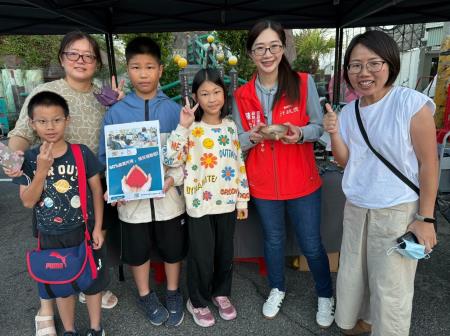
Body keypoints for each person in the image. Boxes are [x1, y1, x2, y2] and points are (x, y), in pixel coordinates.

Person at [323, 30, 438, 336]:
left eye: (374, 63)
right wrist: (334, 132)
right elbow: (347, 161)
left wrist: (425, 218)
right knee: (354, 275)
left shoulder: (410, 104)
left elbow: (429, 164)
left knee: (391, 287)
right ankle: (363, 321)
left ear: (390, 64)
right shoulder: (350, 112)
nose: (364, 73)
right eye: (355, 65)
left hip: (397, 210)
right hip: (358, 207)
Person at [5, 31, 119, 336]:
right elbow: (21, 133)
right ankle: (46, 310)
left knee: (92, 238)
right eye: (73, 54)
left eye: (88, 55)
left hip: (92, 176)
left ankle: (86, 282)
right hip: (52, 180)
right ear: (61, 58)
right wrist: (14, 161)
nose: (80, 60)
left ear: (96, 61)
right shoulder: (46, 92)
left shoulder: (102, 94)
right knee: (53, 251)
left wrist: (120, 103)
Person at [232, 20, 334, 327]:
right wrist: (254, 136)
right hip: (263, 183)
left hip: (302, 180)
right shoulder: (241, 94)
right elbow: (235, 138)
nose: (267, 54)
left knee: (311, 243)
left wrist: (298, 133)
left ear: (283, 48)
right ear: (250, 54)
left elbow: (318, 127)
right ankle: (277, 288)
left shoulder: (302, 83)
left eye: (274, 46)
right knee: (273, 241)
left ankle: (325, 294)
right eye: (259, 48)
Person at [98, 36, 187, 328]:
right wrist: (114, 186)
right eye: (136, 67)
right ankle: (145, 294)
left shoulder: (174, 111)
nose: (144, 73)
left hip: (169, 200)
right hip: (132, 204)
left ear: (161, 70)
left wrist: (173, 179)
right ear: (128, 70)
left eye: (150, 67)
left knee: (173, 249)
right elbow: (105, 157)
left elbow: (185, 155)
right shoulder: (116, 113)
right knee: (137, 254)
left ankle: (173, 292)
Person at [13, 91, 107, 336]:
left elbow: (97, 190)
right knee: (61, 284)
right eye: (42, 121)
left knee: (92, 282)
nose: (50, 126)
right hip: (49, 234)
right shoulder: (30, 160)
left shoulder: (81, 152)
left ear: (67, 119)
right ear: (32, 124)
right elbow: (28, 201)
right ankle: (69, 330)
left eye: (56, 119)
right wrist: (42, 171)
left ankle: (96, 328)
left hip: (83, 230)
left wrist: (98, 228)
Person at [164, 68, 250, 328]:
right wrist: (182, 126)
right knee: (202, 255)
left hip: (226, 202)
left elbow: (238, 164)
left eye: (216, 92)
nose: (212, 98)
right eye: (204, 93)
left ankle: (221, 293)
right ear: (195, 97)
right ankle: (197, 302)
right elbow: (171, 160)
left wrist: (242, 199)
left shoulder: (231, 127)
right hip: (199, 204)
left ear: (225, 94)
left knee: (224, 253)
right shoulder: (192, 129)